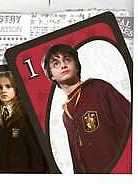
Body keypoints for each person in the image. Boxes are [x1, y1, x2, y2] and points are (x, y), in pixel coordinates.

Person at [42, 44, 130, 173]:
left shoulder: (99, 88)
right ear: (51, 75)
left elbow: (129, 123)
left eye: (67, 60)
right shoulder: (66, 115)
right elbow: (76, 157)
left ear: (76, 66)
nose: (63, 65)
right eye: (56, 64)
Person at [0, 71, 48, 173]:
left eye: (8, 86)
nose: (3, 90)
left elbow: (36, 152)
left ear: (16, 88)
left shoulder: (28, 115)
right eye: (0, 87)